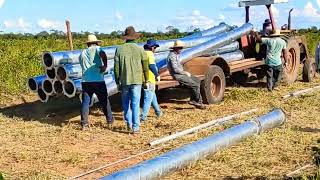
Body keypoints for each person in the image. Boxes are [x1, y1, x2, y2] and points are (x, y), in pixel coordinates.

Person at [114, 26, 149, 134]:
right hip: (137, 81)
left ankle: (128, 124)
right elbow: (145, 66)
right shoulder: (140, 49)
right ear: (135, 37)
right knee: (135, 103)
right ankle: (136, 127)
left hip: (124, 81)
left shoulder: (119, 49)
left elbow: (116, 68)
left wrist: (117, 81)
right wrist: (146, 79)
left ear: (126, 37)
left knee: (125, 103)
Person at [79, 34, 114, 130]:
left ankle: (84, 124)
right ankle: (110, 121)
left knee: (85, 102)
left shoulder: (82, 53)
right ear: (96, 42)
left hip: (86, 81)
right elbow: (103, 54)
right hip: (98, 80)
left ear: (87, 44)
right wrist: (105, 66)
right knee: (104, 101)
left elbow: (82, 65)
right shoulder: (97, 49)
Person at [166, 40, 205, 109]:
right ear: (175, 48)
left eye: (181, 48)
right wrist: (185, 72)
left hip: (180, 73)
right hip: (177, 75)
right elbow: (175, 69)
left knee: (197, 80)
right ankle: (199, 102)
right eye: (179, 48)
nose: (181, 49)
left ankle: (193, 100)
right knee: (194, 85)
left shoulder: (176, 55)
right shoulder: (172, 56)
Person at [140, 39, 162, 122]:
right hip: (149, 78)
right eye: (155, 47)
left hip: (143, 78)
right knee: (148, 98)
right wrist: (157, 75)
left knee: (152, 96)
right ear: (152, 47)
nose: (155, 49)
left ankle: (158, 112)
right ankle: (143, 117)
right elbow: (152, 66)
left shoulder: (142, 53)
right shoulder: (150, 54)